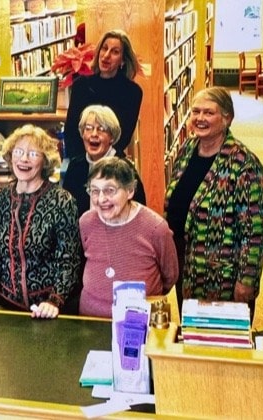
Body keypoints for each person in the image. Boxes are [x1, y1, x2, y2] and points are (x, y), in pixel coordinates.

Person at [164, 86, 263, 317]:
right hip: (187, 263)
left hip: (223, 276)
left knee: (222, 340)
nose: (200, 118)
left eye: (209, 113)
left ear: (227, 118)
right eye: (195, 112)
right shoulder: (187, 148)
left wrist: (247, 280)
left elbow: (257, 231)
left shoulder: (243, 164)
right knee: (191, 328)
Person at [0, 125, 82, 319]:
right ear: (11, 156)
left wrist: (54, 301)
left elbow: (69, 260)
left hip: (49, 311)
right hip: (6, 310)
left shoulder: (62, 201)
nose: (24, 159)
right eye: (19, 152)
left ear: (45, 161)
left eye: (33, 153)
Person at [79, 157, 178, 318]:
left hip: (138, 324)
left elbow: (170, 276)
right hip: (89, 321)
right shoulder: (86, 222)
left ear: (130, 190)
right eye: (95, 191)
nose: (101, 199)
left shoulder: (155, 228)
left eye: (110, 190)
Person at [63, 29, 143, 159]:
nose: (106, 55)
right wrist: (82, 161)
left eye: (115, 52)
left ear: (123, 60)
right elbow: (71, 131)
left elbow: (122, 138)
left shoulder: (132, 92)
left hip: (111, 161)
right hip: (81, 158)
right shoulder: (81, 86)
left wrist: (100, 162)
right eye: (104, 49)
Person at [62, 104, 146, 216]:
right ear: (82, 134)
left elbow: (139, 212)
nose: (94, 134)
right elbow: (67, 209)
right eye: (88, 128)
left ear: (112, 137)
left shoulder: (124, 169)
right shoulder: (75, 166)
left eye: (101, 129)